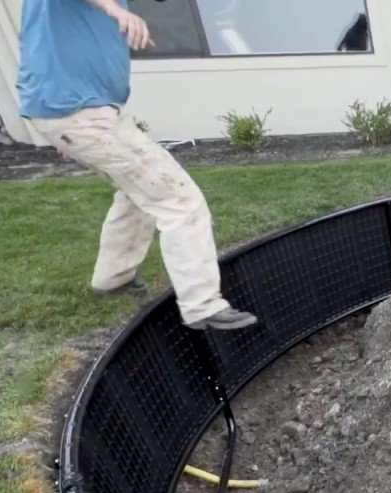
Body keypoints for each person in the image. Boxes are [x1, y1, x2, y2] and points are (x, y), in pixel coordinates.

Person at [16, 0, 257, 331]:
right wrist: (117, 12)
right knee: (179, 200)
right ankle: (202, 305)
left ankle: (113, 277)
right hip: (78, 113)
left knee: (139, 192)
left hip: (86, 112)